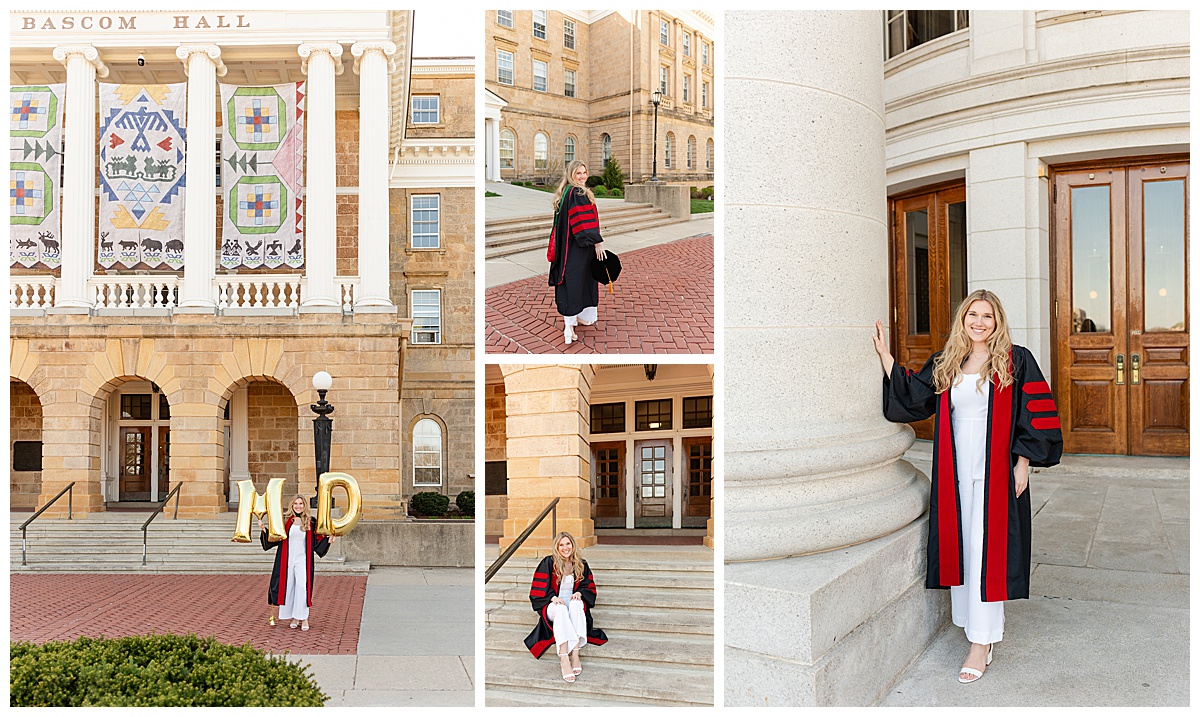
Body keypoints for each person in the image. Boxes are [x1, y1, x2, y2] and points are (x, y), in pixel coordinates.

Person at [872, 289, 1062, 684]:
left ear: (997, 322)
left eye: (987, 316)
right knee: (964, 549)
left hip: (995, 474)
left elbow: (1035, 414)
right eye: (973, 314)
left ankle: (982, 641)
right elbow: (915, 396)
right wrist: (887, 359)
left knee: (986, 554)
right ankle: (971, 623)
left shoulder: (1016, 360)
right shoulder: (947, 362)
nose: (979, 322)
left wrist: (1023, 464)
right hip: (955, 473)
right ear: (963, 319)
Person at [523, 531, 608, 683]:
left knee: (576, 604)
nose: (565, 548)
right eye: (561, 545)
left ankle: (575, 654)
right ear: (557, 548)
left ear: (573, 545)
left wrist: (580, 593)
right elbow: (537, 590)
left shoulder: (581, 564)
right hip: (553, 605)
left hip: (572, 603)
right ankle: (564, 658)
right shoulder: (548, 563)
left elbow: (589, 587)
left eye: (568, 544)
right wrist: (552, 597)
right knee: (561, 608)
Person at [547, 160, 607, 346]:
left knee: (570, 282)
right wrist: (597, 242)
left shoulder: (565, 192)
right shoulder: (578, 193)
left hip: (566, 247)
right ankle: (570, 327)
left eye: (584, 172)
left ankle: (574, 321)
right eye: (578, 173)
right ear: (571, 175)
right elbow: (583, 223)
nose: (582, 176)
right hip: (578, 248)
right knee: (577, 282)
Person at [260, 494, 333, 631]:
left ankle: (303, 618)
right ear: (292, 505)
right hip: (287, 559)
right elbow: (276, 537)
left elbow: (317, 541)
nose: (298, 506)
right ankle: (294, 617)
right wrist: (264, 530)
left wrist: (328, 540)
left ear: (304, 506)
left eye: (300, 504)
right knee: (289, 587)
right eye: (295, 504)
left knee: (301, 586)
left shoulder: (311, 522)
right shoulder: (286, 521)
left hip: (303, 559)